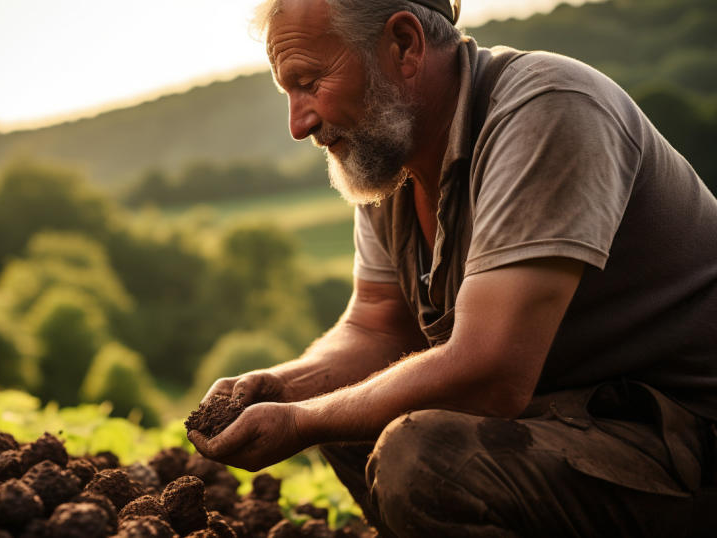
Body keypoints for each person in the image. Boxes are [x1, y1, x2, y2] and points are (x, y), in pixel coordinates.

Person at [187, 0, 717, 536]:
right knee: (348, 418)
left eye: (309, 82)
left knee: (425, 460)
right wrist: (282, 388)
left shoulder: (548, 107)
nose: (299, 124)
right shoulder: (388, 159)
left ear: (404, 45)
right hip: (581, 422)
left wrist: (303, 421)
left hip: (685, 440)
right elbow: (375, 326)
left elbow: (492, 371)